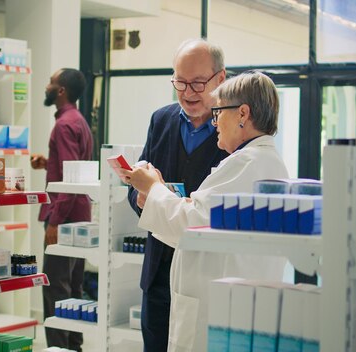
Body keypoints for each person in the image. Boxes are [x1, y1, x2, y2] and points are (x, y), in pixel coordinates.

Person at [122, 71, 289, 352]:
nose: (215, 123)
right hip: (233, 301)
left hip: (222, 307)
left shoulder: (249, 164)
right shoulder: (255, 163)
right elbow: (207, 218)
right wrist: (166, 196)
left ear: (242, 114)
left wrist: (153, 189)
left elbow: (194, 227)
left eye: (218, 112)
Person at [127, 38, 229, 352]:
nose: (187, 93)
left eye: (198, 84)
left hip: (203, 275)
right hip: (159, 270)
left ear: (220, 79)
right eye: (180, 82)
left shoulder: (234, 132)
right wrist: (142, 199)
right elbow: (137, 187)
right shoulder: (161, 120)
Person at [31, 68, 93, 352]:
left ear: (61, 91)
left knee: (56, 287)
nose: (47, 86)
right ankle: (74, 347)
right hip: (79, 216)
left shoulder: (63, 125)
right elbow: (74, 167)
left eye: (50, 82)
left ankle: (58, 349)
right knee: (74, 286)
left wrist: (54, 222)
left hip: (64, 216)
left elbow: (68, 181)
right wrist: (48, 162)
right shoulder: (78, 121)